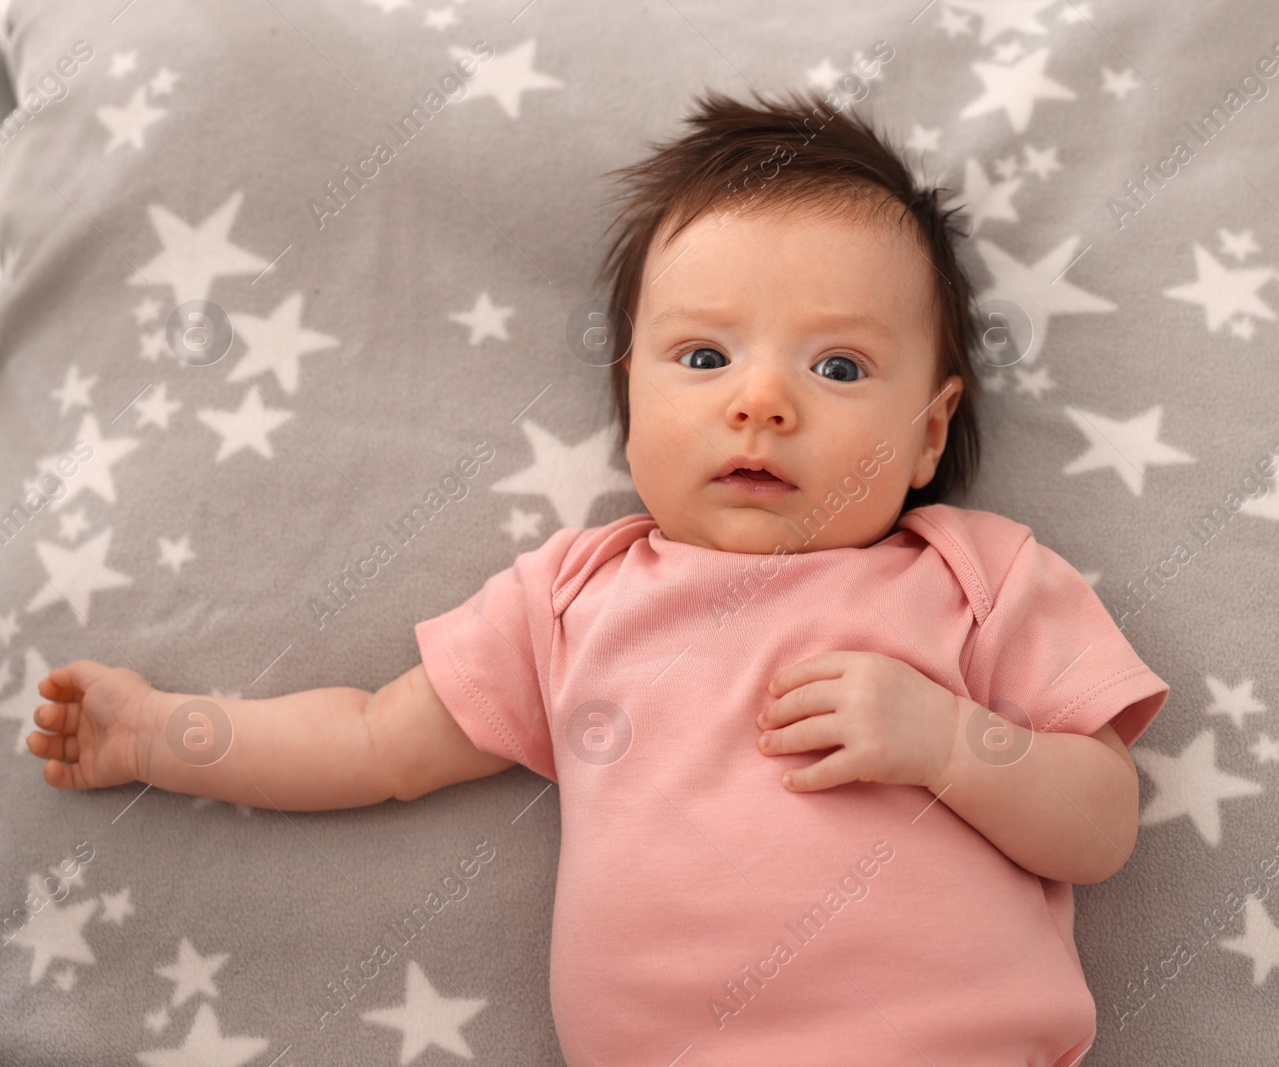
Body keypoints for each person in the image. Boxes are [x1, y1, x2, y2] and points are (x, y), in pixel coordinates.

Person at [28, 86, 1169, 1066]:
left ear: (929, 434)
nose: (760, 401)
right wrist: (163, 733)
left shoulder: (974, 577)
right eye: (704, 355)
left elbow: (1102, 821)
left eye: (836, 364)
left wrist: (948, 739)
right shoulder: (579, 598)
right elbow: (375, 738)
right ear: (630, 396)